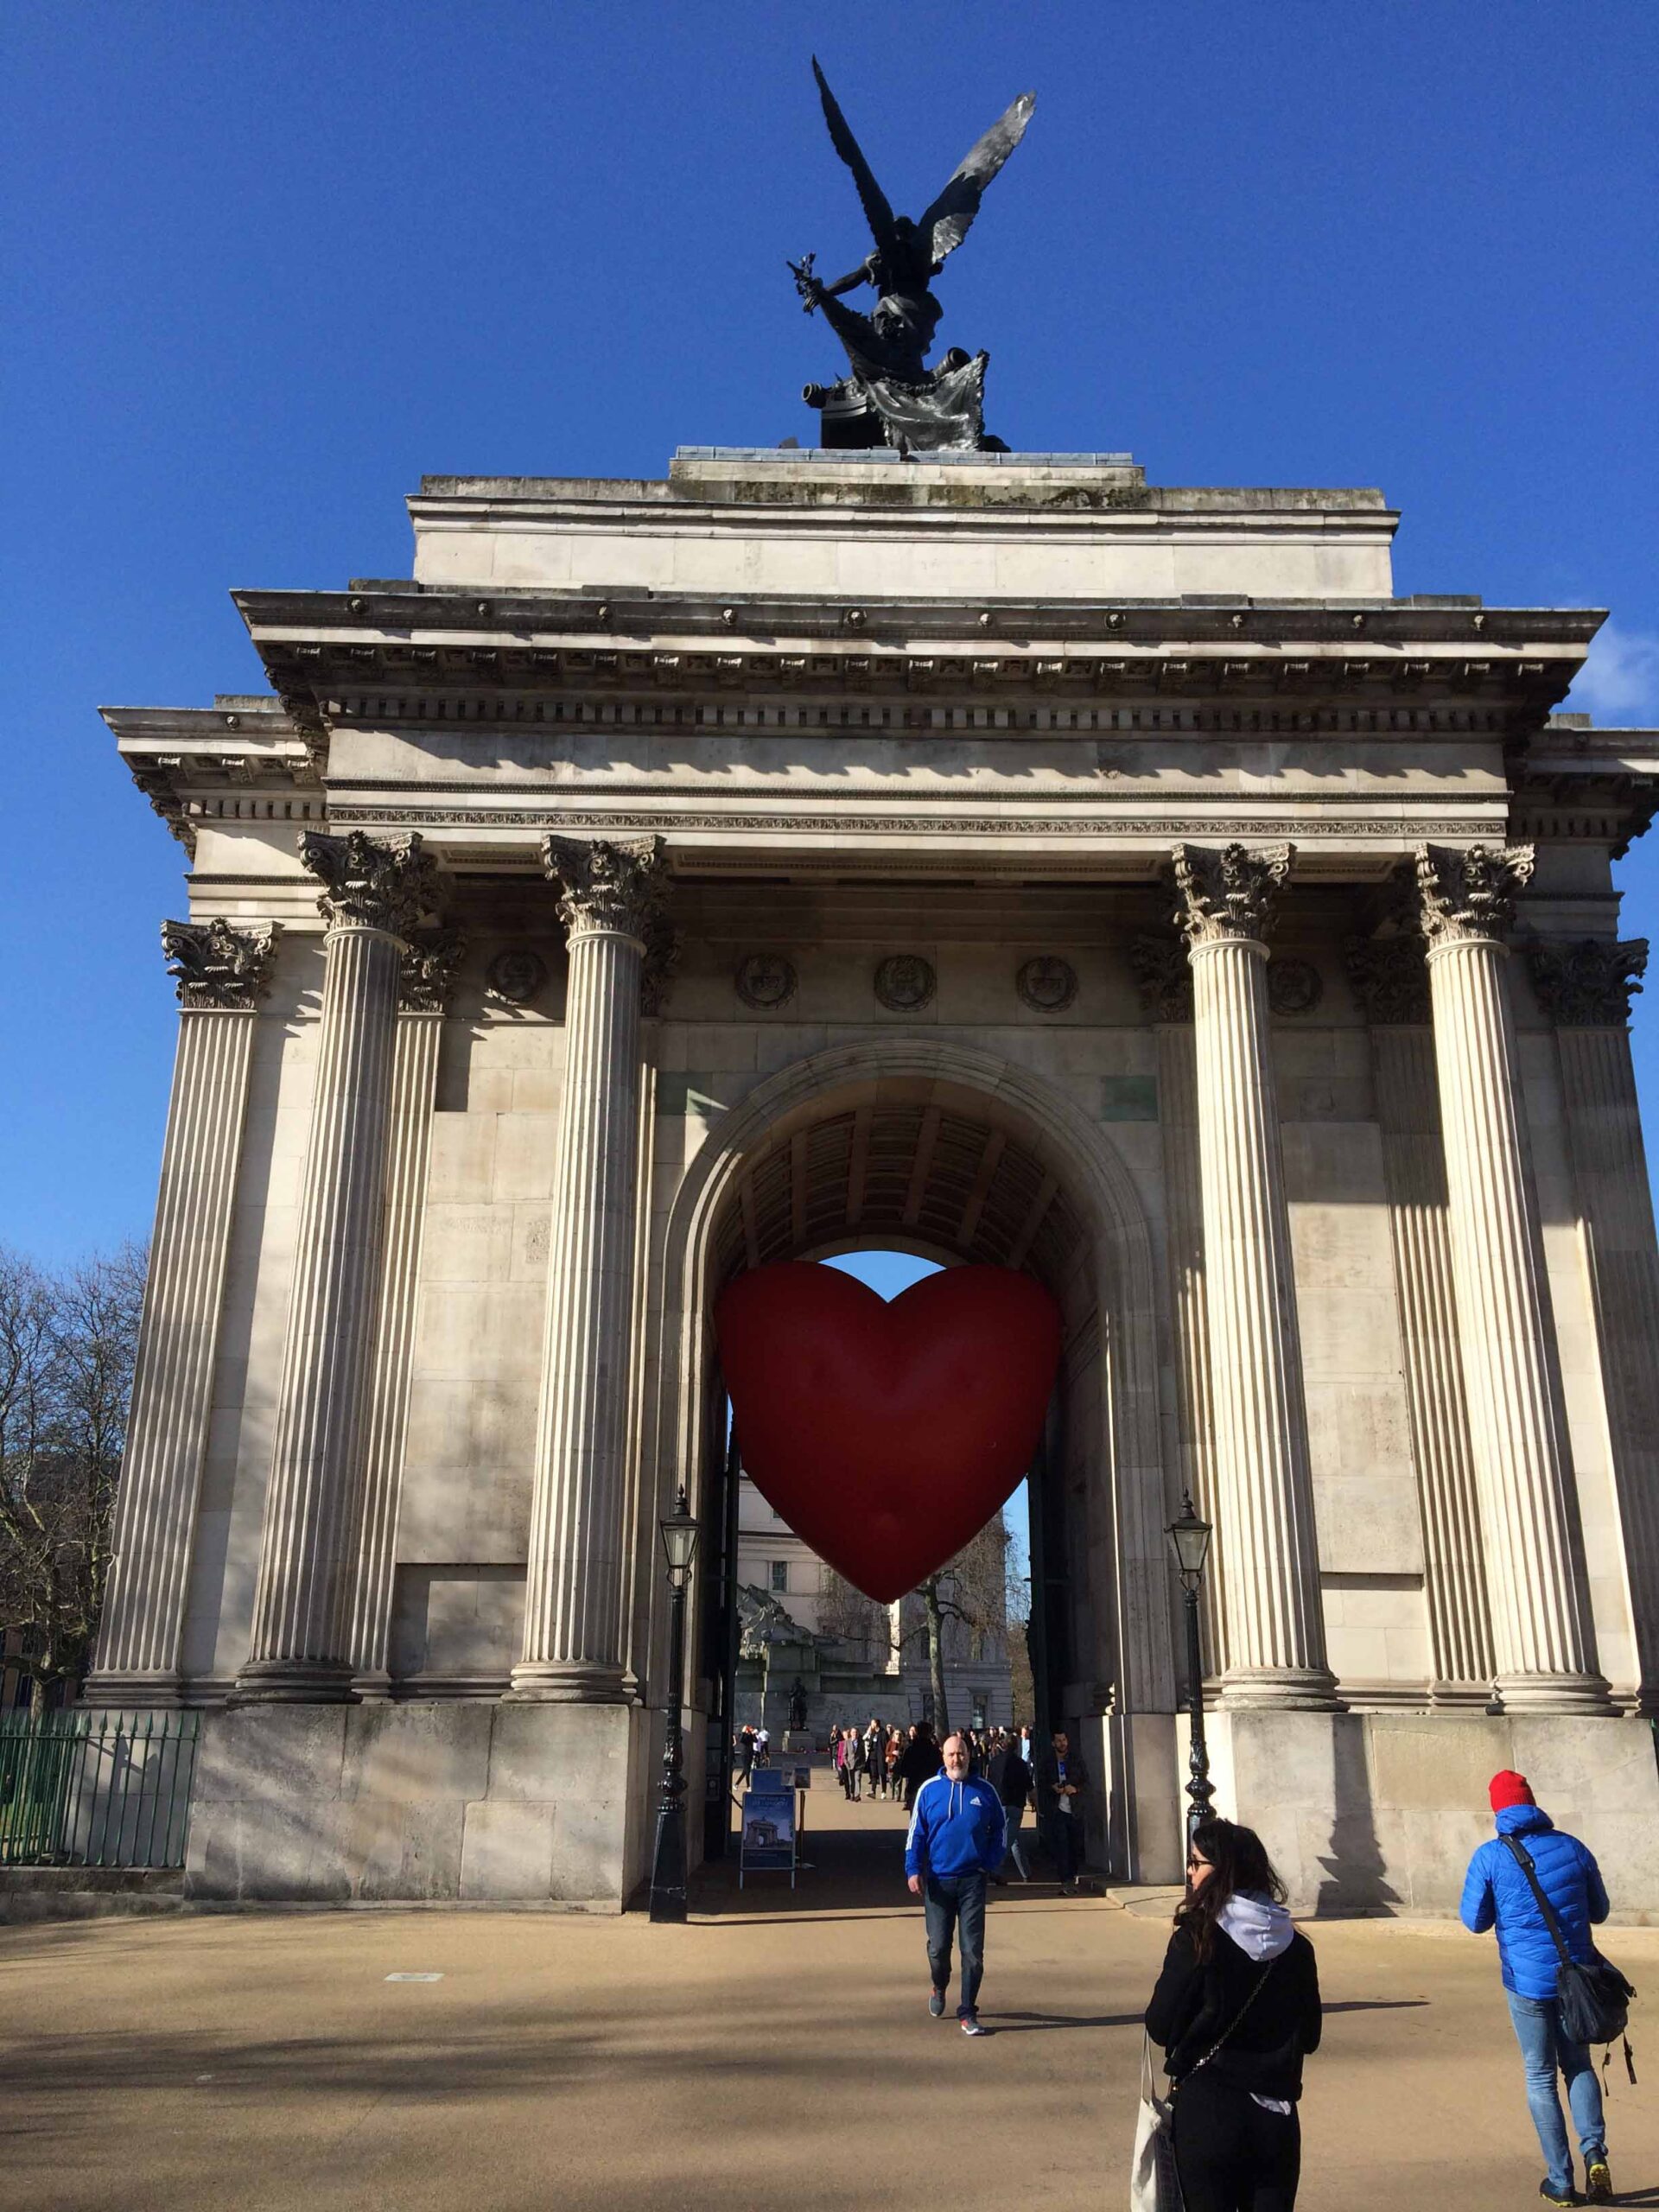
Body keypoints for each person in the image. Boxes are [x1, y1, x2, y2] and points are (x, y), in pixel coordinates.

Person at [1146, 1816, 1322, 2212]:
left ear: (1222, 1871)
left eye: (1196, 1862)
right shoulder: (1296, 1947)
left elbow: (1159, 2024)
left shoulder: (1198, 1937)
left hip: (1209, 2113)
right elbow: (1310, 2036)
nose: (1189, 1873)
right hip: (1276, 2119)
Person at [1460, 1770, 1613, 2207]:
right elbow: (1599, 1911)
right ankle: (1595, 2153)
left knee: (1540, 2074)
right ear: (1533, 1803)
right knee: (1578, 2065)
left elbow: (1474, 1921)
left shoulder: (1489, 1857)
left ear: (1498, 1809)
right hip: (1577, 1981)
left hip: (1526, 1982)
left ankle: (1560, 2180)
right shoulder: (1572, 1847)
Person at [905, 1732, 1007, 2037]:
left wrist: (988, 1864)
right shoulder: (929, 1790)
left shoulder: (985, 1791)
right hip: (938, 1881)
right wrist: (913, 1869)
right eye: (951, 1754)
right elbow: (916, 1834)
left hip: (973, 1881)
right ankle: (939, 1986)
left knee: (973, 1952)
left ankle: (967, 2011)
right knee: (938, 1948)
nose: (956, 1759)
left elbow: (1000, 1830)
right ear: (943, 1758)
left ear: (968, 1755)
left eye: (961, 1753)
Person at [1033, 1728, 1090, 1892]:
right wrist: (1053, 1787)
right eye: (1058, 1740)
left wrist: (1075, 1789)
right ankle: (1065, 1881)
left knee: (1075, 1845)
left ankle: (1072, 1876)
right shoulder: (1048, 1762)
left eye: (1064, 1740)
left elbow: (1086, 1781)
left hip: (1075, 1809)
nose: (1062, 1743)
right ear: (1053, 1743)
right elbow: (1042, 1782)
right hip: (1057, 1809)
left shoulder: (1076, 1759)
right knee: (1061, 1846)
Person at [986, 1730, 1033, 1881]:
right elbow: (1029, 1786)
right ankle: (995, 1869)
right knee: (1008, 1839)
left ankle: (1026, 1873)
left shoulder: (993, 1763)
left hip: (998, 1804)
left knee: (1013, 1838)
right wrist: (1035, 1803)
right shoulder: (1021, 1764)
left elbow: (988, 1785)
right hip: (1016, 1805)